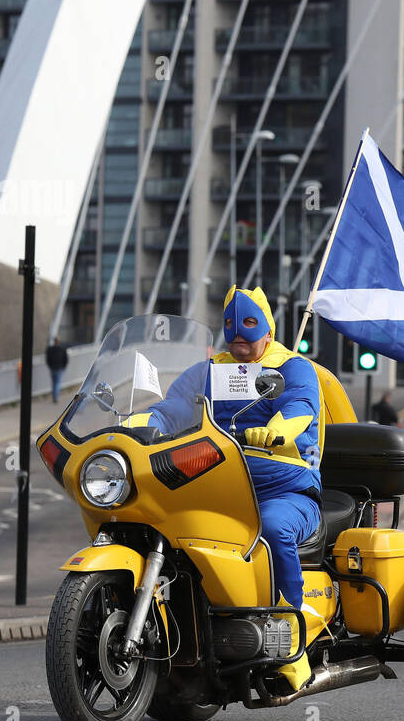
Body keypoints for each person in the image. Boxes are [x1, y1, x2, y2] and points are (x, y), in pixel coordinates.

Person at [135, 286, 322, 692]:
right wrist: (142, 422)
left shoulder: (292, 368)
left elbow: (301, 407)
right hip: (217, 492)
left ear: (268, 333)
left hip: (285, 493)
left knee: (272, 529)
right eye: (233, 329)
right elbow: (173, 408)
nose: (239, 336)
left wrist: (275, 430)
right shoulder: (208, 371)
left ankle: (290, 634)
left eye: (249, 327)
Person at [46, 337, 69, 404]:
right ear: (59, 342)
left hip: (52, 368)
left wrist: (50, 366)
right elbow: (66, 359)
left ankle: (54, 396)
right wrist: (64, 366)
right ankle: (55, 397)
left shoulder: (50, 349)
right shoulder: (62, 349)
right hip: (59, 368)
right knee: (57, 383)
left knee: (54, 382)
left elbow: (48, 359)